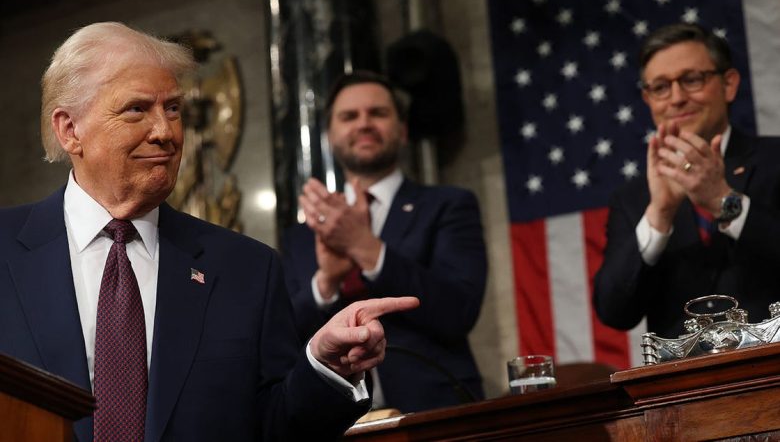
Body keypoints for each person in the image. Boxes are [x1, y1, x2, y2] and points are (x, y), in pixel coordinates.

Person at [0, 22, 419, 442]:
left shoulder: (246, 269)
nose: (165, 132)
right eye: (136, 109)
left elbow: (276, 426)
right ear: (69, 129)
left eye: (173, 109)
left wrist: (326, 369)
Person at [282, 71, 487, 413]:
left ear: (402, 130)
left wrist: (368, 249)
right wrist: (326, 282)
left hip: (436, 412)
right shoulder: (301, 236)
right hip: (333, 421)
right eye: (349, 116)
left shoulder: (448, 205)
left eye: (377, 113)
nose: (364, 124)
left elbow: (459, 311)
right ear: (331, 136)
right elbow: (285, 339)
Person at [593, 23, 780, 339]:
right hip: (685, 384)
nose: (676, 98)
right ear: (648, 98)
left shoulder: (775, 159)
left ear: (729, 84)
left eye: (691, 80)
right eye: (661, 87)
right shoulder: (634, 198)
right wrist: (659, 215)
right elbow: (614, 311)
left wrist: (724, 202)